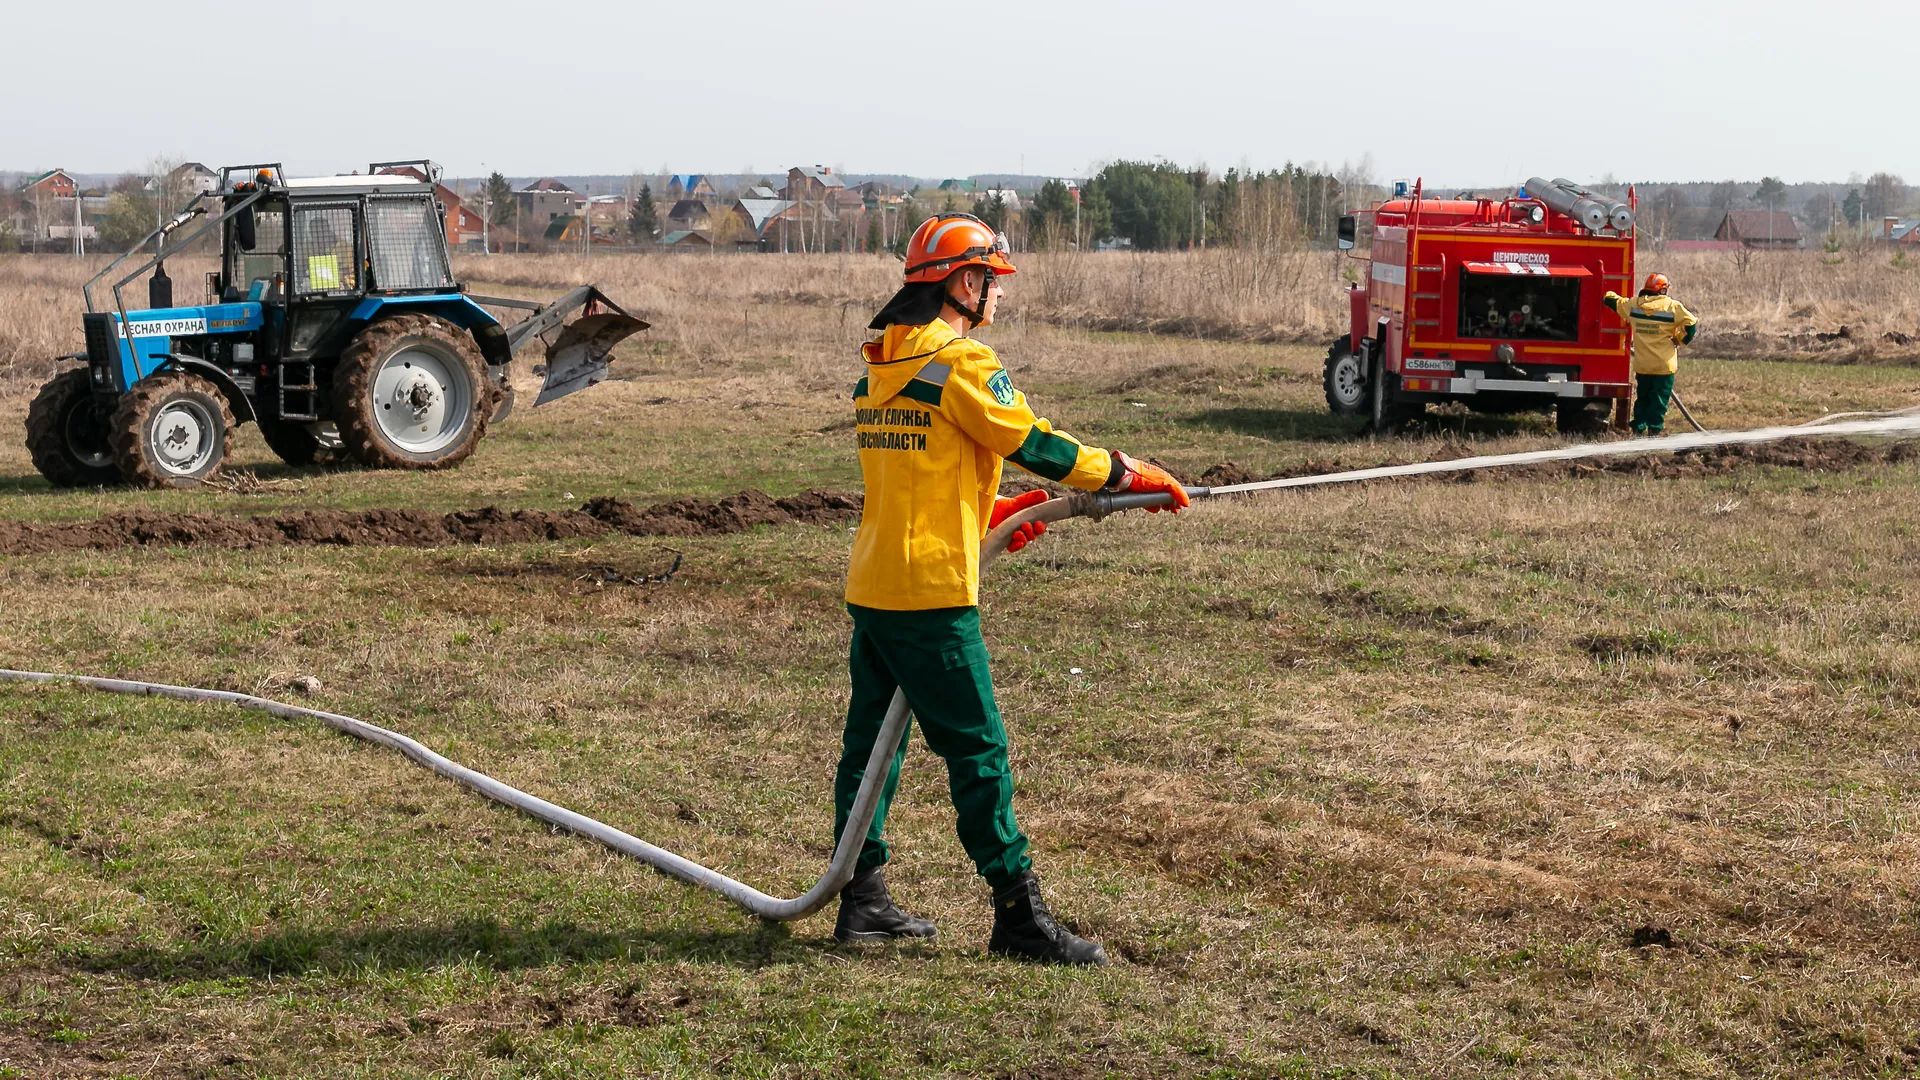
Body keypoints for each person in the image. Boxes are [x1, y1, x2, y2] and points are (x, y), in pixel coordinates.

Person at [832, 213, 1188, 966]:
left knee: (872, 749)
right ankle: (1017, 914)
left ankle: (861, 898)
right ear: (965, 283)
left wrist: (997, 514)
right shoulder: (961, 364)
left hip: (877, 582)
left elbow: (916, 481)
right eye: (990, 279)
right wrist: (1122, 473)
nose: (996, 295)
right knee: (979, 753)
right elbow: (1035, 442)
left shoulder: (881, 368)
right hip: (930, 595)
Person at [1605, 273, 1699, 435]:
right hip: (1664, 366)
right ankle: (1654, 432)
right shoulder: (1672, 307)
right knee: (1659, 401)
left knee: (1643, 398)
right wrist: (1679, 340)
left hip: (1643, 365)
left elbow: (1614, 302)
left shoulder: (1634, 305)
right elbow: (1691, 323)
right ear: (1663, 290)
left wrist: (1607, 294)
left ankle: (1638, 429)